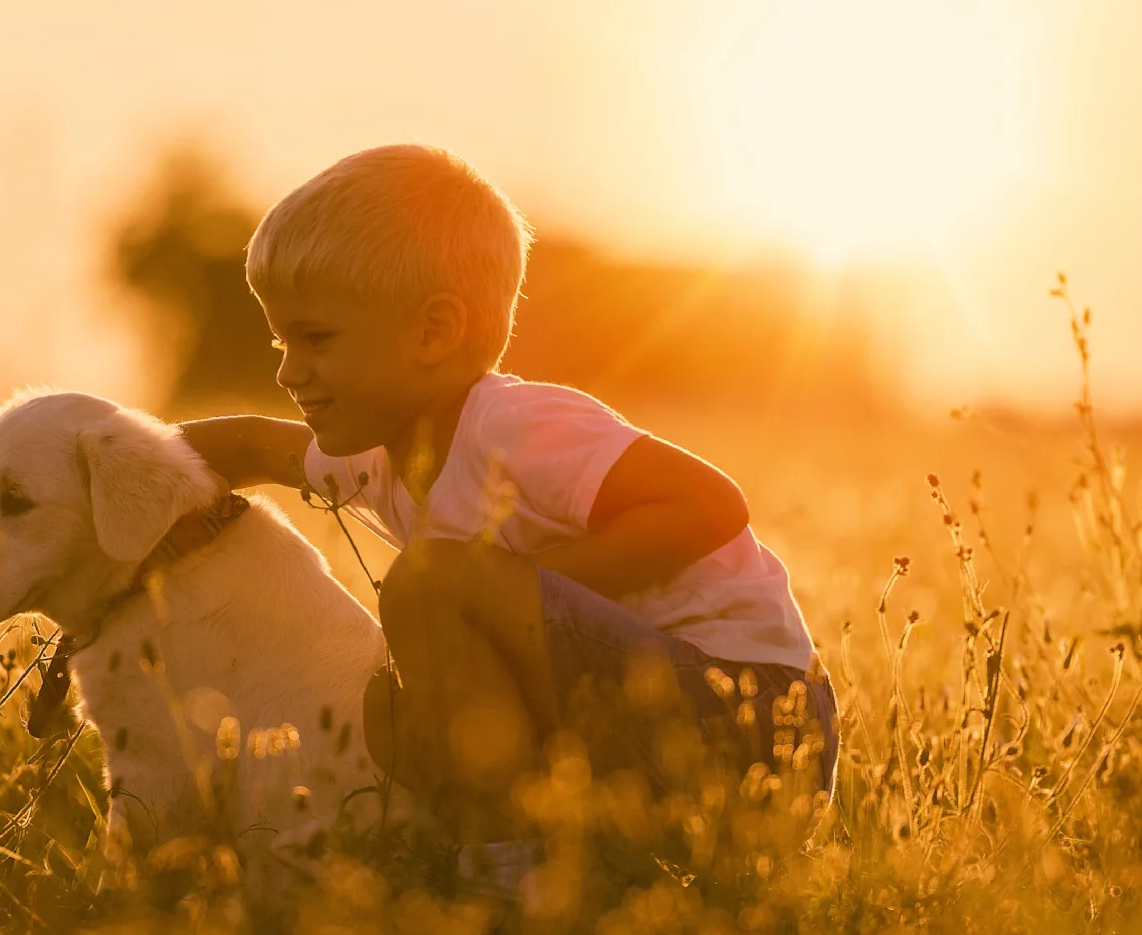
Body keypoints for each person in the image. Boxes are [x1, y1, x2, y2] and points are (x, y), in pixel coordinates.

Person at [178, 143, 838, 892]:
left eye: (316, 339)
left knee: (431, 585)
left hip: (753, 722)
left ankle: (505, 884)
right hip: (644, 732)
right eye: (278, 339)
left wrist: (517, 589)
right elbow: (252, 446)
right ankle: (556, 869)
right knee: (388, 713)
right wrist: (112, 469)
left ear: (433, 333)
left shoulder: (515, 426)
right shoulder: (376, 453)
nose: (287, 370)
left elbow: (710, 504)